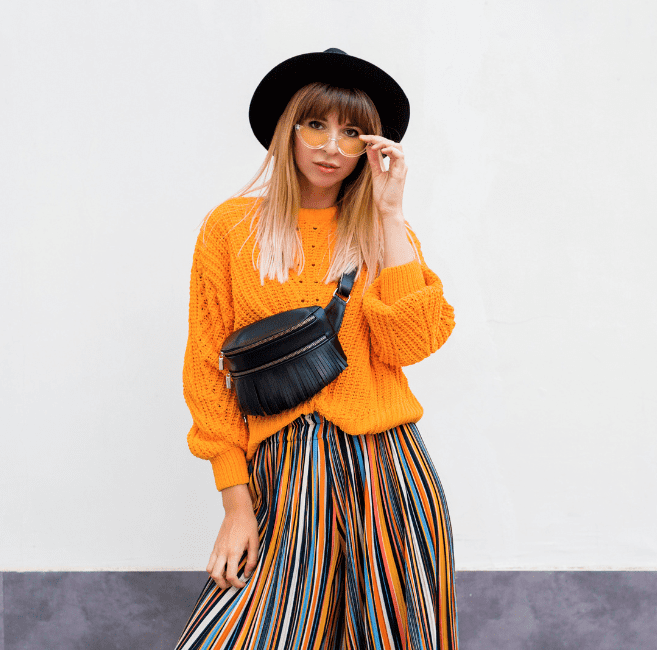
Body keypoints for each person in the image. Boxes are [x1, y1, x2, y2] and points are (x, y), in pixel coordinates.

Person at [175, 47, 459, 650]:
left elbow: (412, 342)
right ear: (288, 130)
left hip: (388, 472)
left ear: (370, 148)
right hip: (283, 474)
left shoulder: (387, 234)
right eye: (316, 124)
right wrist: (235, 504)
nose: (332, 145)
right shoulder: (231, 229)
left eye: (352, 131)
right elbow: (208, 371)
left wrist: (389, 213)